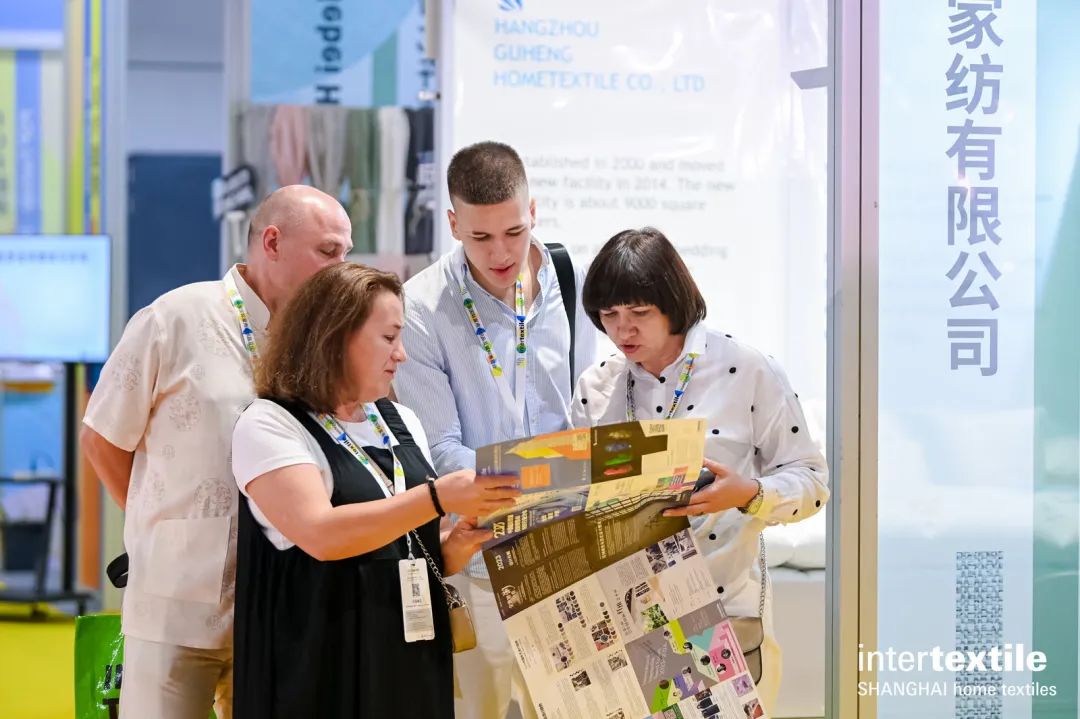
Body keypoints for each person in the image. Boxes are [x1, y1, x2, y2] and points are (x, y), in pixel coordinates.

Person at [80, 185, 352, 719]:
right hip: (176, 600)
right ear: (272, 242)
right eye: (328, 251)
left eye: (346, 252)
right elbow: (102, 437)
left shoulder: (323, 342)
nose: (340, 268)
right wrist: (154, 528)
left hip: (282, 604)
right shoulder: (175, 318)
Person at [229, 262, 520, 718]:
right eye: (388, 338)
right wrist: (438, 498)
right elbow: (321, 534)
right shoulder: (270, 424)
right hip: (321, 668)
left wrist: (450, 546)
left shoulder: (400, 421)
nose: (401, 355)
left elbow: (399, 545)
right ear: (333, 338)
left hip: (408, 662)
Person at [570, 227, 830, 713]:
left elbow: (813, 482)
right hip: (626, 623)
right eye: (609, 315)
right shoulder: (597, 386)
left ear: (673, 303)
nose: (623, 331)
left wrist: (748, 493)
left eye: (639, 313)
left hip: (722, 613)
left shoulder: (747, 371)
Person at [393, 140, 598, 719]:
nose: (501, 252)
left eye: (513, 231)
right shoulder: (421, 307)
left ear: (533, 210)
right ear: (453, 223)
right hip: (480, 555)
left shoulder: (568, 278)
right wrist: (553, 477)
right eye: (480, 237)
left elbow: (587, 405)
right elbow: (441, 450)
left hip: (568, 547)